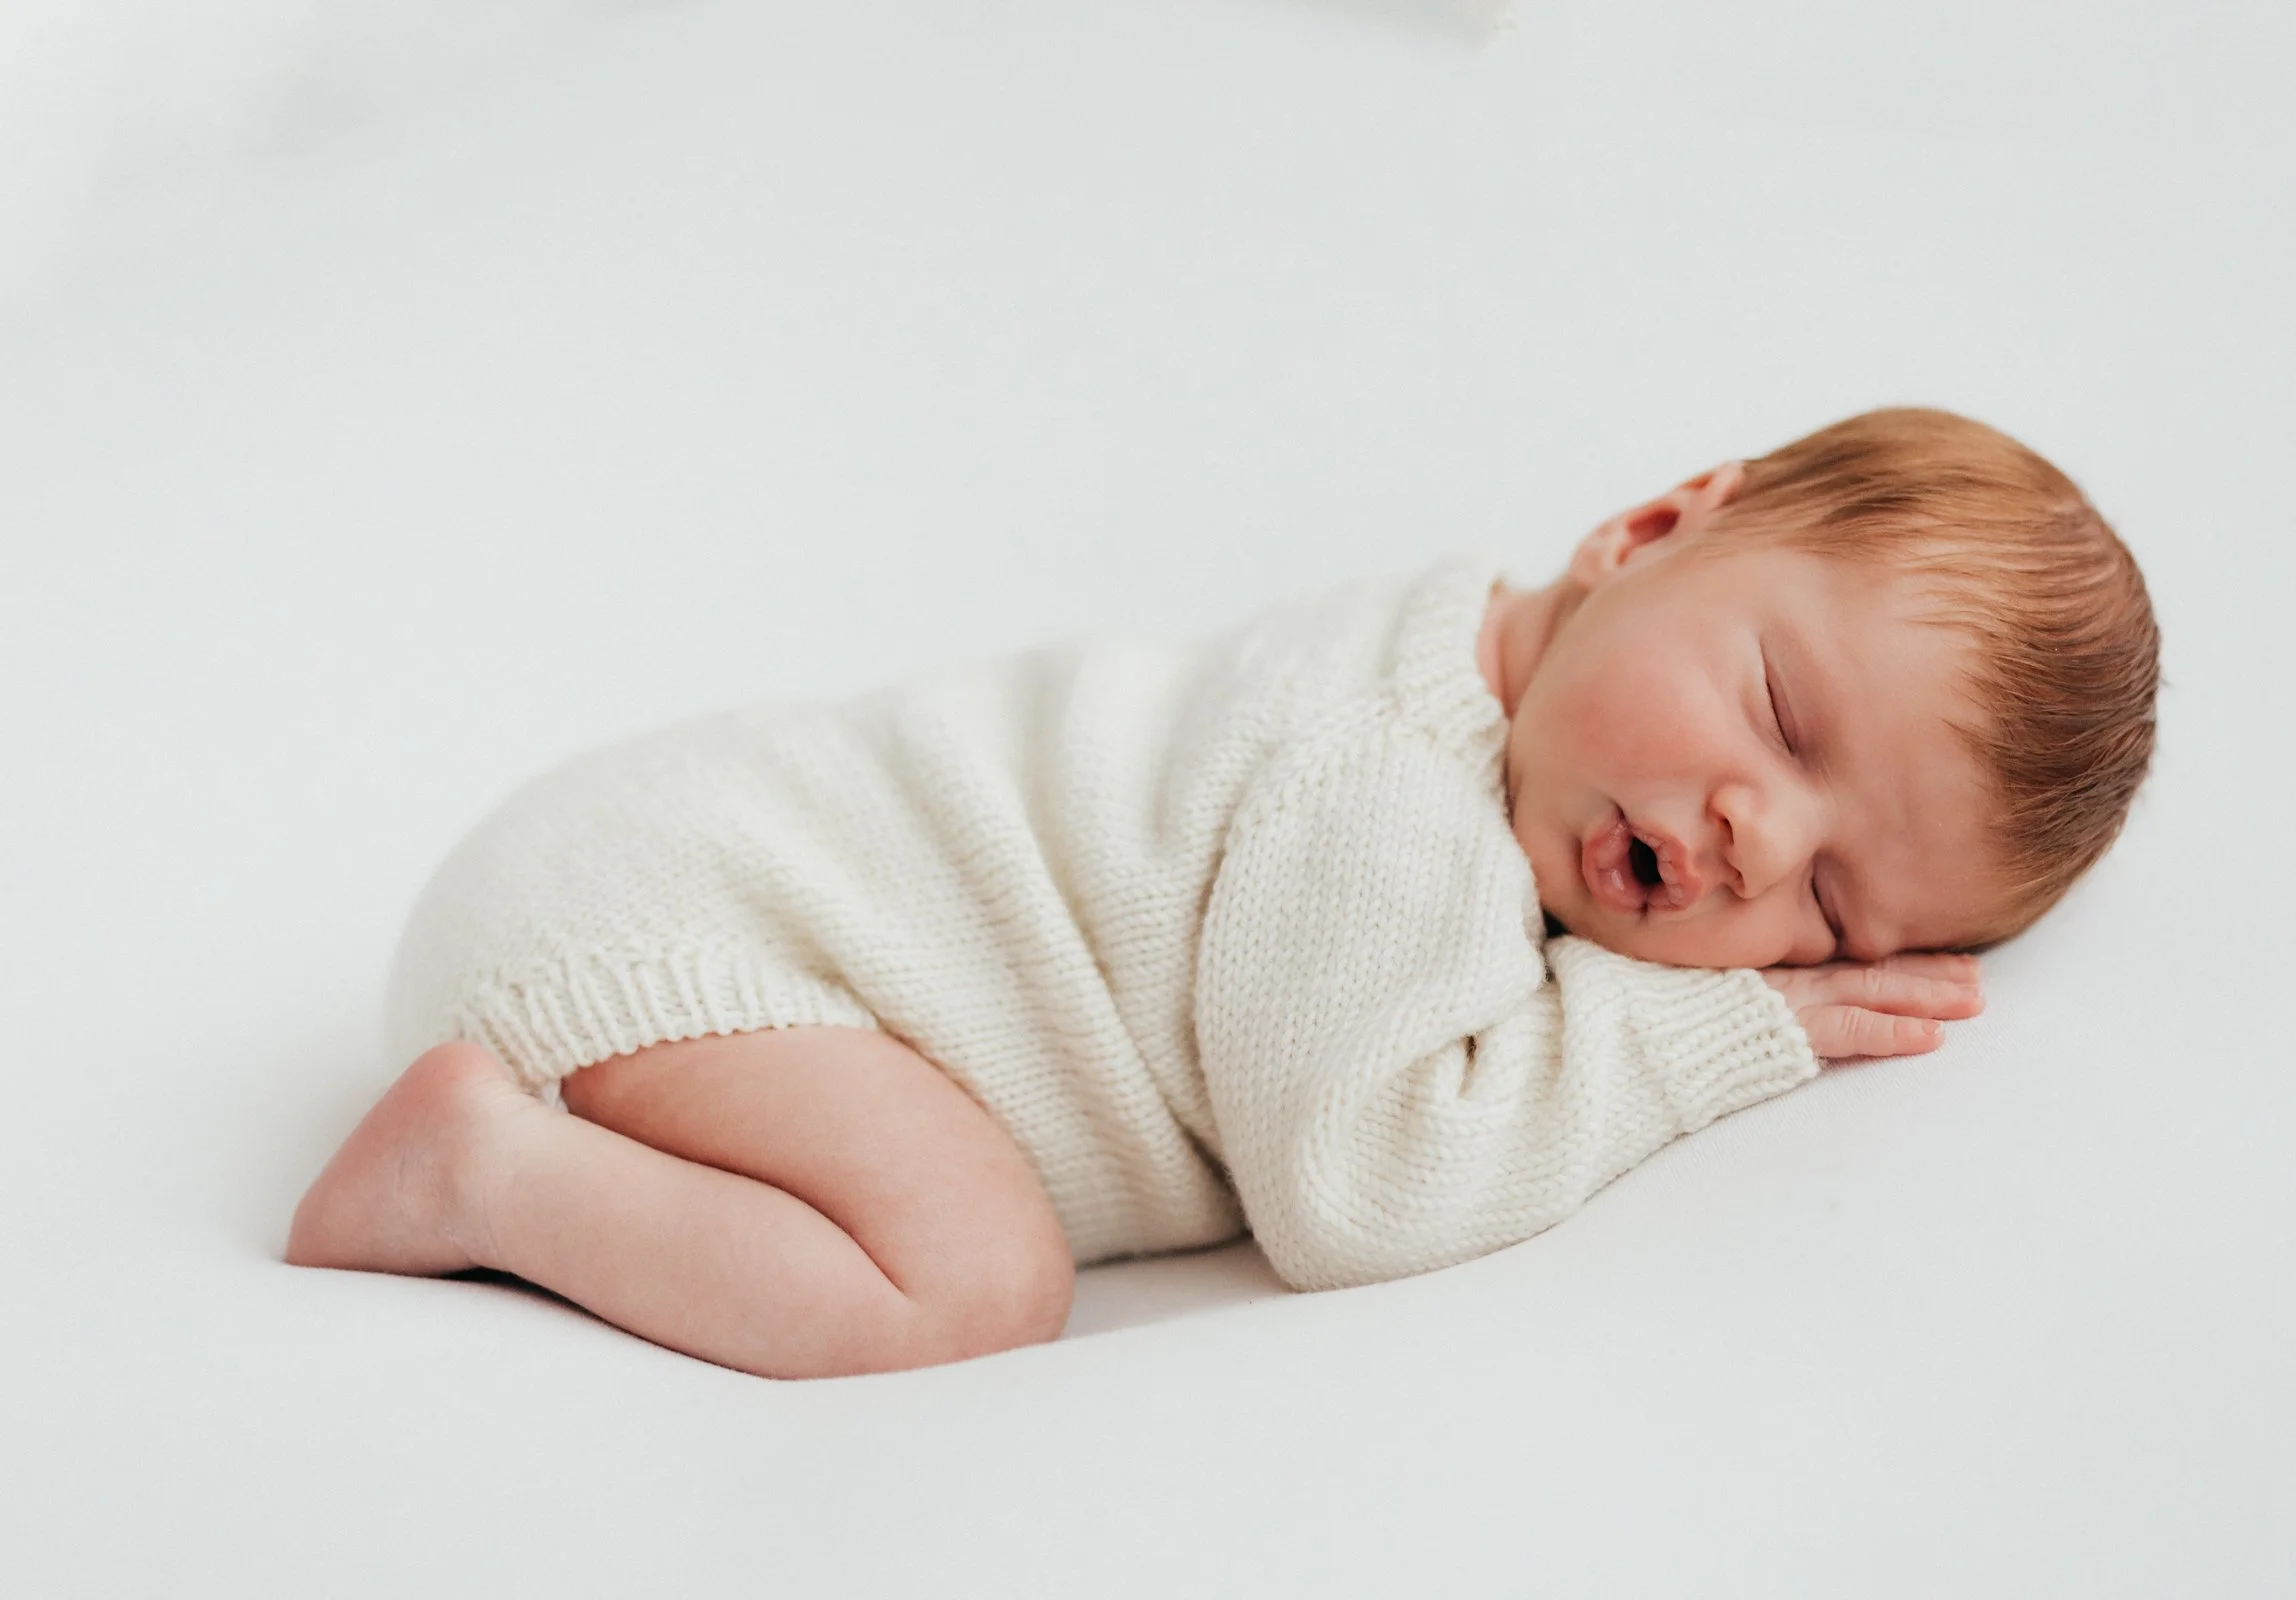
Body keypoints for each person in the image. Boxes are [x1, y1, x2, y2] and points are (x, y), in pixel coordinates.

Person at [286, 406, 2160, 1380]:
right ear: (1651, 528)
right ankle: (478, 1169)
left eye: (1829, 910)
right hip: (667, 926)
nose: (1754, 834)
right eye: (1778, 713)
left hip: (655, 871)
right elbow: (1359, 1190)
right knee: (968, 1282)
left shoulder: (1479, 684)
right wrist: (1704, 1036)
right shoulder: (1388, 798)